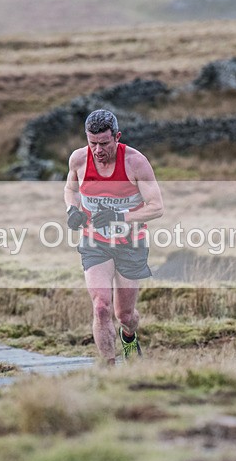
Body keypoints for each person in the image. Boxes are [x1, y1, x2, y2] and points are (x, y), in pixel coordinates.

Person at [64, 109, 164, 365]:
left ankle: (129, 337)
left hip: (131, 243)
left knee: (125, 314)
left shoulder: (135, 162)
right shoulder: (78, 159)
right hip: (94, 242)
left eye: (104, 143)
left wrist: (118, 217)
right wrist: (72, 210)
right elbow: (70, 189)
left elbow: (156, 207)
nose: (98, 150)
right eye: (92, 143)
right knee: (101, 307)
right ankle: (109, 369)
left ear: (117, 137)